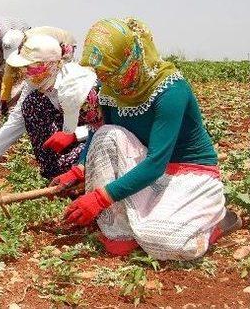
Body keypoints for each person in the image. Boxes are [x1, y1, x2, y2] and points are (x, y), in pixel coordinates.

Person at [55, 17, 239, 260]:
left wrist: (101, 198)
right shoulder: (112, 87)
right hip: (147, 168)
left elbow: (156, 163)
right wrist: (79, 170)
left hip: (186, 172)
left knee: (166, 243)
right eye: (101, 71)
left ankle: (215, 218)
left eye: (109, 70)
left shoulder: (171, 91)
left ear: (130, 59)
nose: (104, 78)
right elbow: (101, 134)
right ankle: (120, 230)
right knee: (105, 134)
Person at [0, 34, 99, 189]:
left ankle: (81, 174)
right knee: (31, 103)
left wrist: (75, 135)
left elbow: (108, 127)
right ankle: (53, 171)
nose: (26, 73)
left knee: (94, 154)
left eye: (30, 67)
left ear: (49, 65)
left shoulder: (80, 86)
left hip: (91, 139)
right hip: (65, 137)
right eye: (25, 67)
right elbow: (15, 122)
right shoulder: (35, 82)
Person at [0, 26, 77, 113]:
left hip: (66, 45)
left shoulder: (37, 43)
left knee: (50, 83)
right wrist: (4, 99)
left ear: (21, 45)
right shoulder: (23, 46)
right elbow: (8, 74)